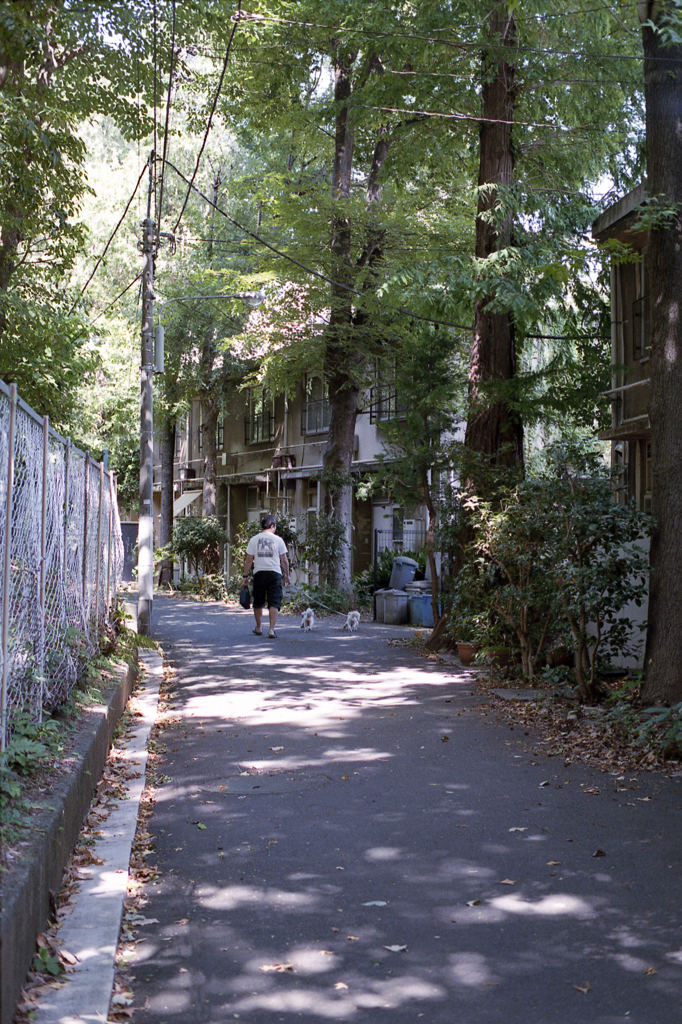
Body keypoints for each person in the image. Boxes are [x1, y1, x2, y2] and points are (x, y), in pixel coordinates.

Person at [242, 514, 290, 638]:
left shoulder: (254, 539)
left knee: (258, 601)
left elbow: (248, 559)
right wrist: (288, 575)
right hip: (275, 573)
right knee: (274, 602)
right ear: (272, 526)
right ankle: (271, 630)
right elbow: (284, 560)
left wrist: (245, 575)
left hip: (259, 573)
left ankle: (258, 627)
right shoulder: (278, 540)